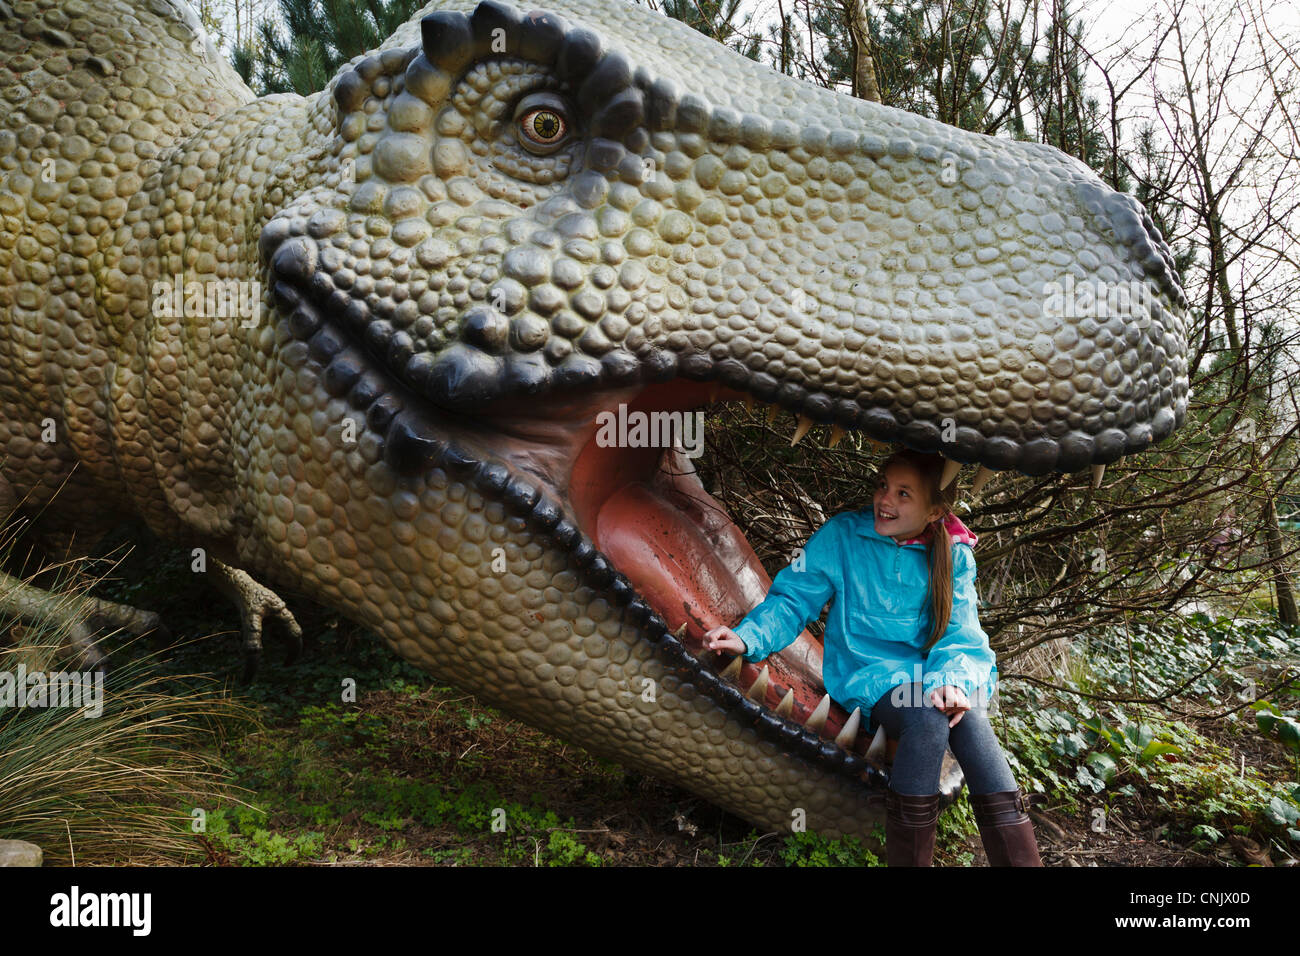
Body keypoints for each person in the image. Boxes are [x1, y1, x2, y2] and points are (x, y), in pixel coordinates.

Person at [704, 447, 1043, 867]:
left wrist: (954, 683)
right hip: (869, 677)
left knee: (969, 717)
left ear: (935, 509)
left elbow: (963, 636)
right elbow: (794, 600)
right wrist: (746, 637)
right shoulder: (844, 536)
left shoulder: (954, 554)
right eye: (883, 485)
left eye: (904, 494)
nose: (885, 500)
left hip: (934, 677)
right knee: (925, 714)